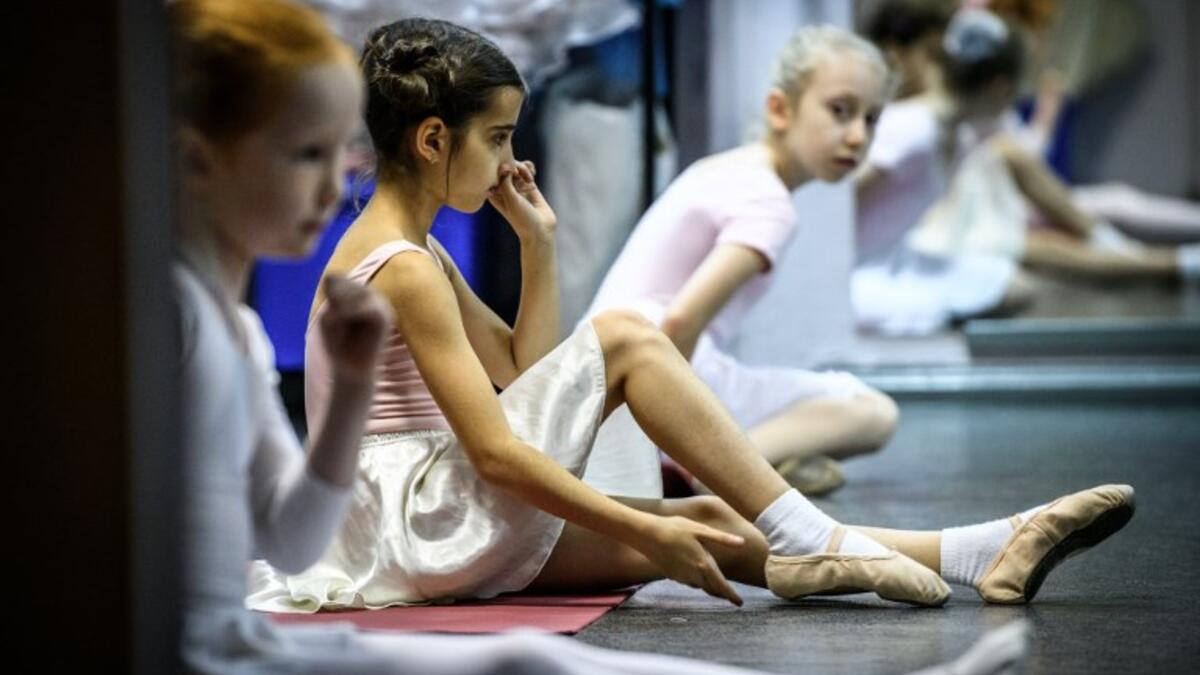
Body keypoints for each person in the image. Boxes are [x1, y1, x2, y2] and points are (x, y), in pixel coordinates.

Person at [172, 2, 1040, 672]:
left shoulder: (419, 248)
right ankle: (817, 538)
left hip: (425, 503)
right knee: (629, 338)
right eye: (499, 138)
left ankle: (969, 551)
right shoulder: (397, 263)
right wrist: (639, 529)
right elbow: (500, 449)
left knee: (702, 515)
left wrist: (537, 247)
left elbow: (520, 370)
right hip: (417, 518)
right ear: (435, 140)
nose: (513, 159)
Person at [578, 27, 901, 499]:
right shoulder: (770, 204)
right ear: (779, 109)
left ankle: (758, 462)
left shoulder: (725, 168)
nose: (857, 135)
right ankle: (712, 470)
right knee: (872, 411)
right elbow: (684, 316)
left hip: (607, 367)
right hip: (651, 367)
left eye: (871, 119)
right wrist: (658, 435)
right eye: (840, 111)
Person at [859, 3, 1200, 327]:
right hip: (873, 264)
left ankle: (1145, 255)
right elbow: (842, 198)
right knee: (1035, 255)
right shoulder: (916, 128)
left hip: (898, 251)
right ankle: (1166, 261)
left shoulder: (957, 134)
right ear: (998, 89)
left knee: (1017, 284)